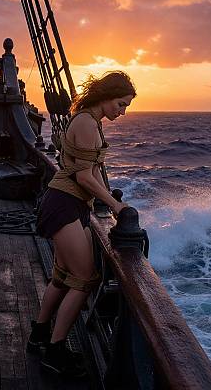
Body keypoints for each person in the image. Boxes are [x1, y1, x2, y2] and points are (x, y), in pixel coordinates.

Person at [27, 71, 136, 377]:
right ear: (106, 97)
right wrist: (115, 205)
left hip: (70, 203)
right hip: (63, 204)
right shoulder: (88, 123)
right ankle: (55, 349)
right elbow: (85, 177)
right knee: (85, 278)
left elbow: (93, 169)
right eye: (121, 104)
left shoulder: (90, 119)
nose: (122, 111)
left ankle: (39, 335)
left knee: (62, 277)